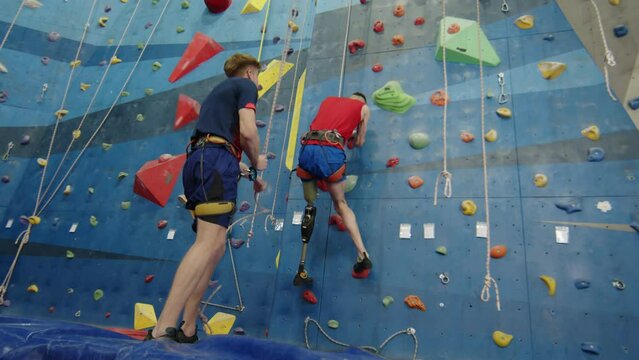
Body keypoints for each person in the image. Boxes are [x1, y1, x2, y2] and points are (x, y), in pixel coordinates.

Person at [147, 53, 267, 342]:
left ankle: (188, 326)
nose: (258, 82)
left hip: (203, 161)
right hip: (213, 162)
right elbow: (249, 132)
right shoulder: (246, 86)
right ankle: (163, 325)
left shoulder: (219, 93)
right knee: (207, 243)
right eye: (258, 76)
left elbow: (217, 140)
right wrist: (256, 161)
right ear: (250, 72)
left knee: (215, 247)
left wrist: (245, 170)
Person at [293, 93, 372, 286]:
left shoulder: (328, 100)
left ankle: (301, 268)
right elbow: (359, 142)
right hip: (331, 152)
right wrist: (352, 137)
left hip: (307, 149)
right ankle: (362, 254)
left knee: (310, 203)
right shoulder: (363, 108)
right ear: (362, 101)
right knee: (341, 204)